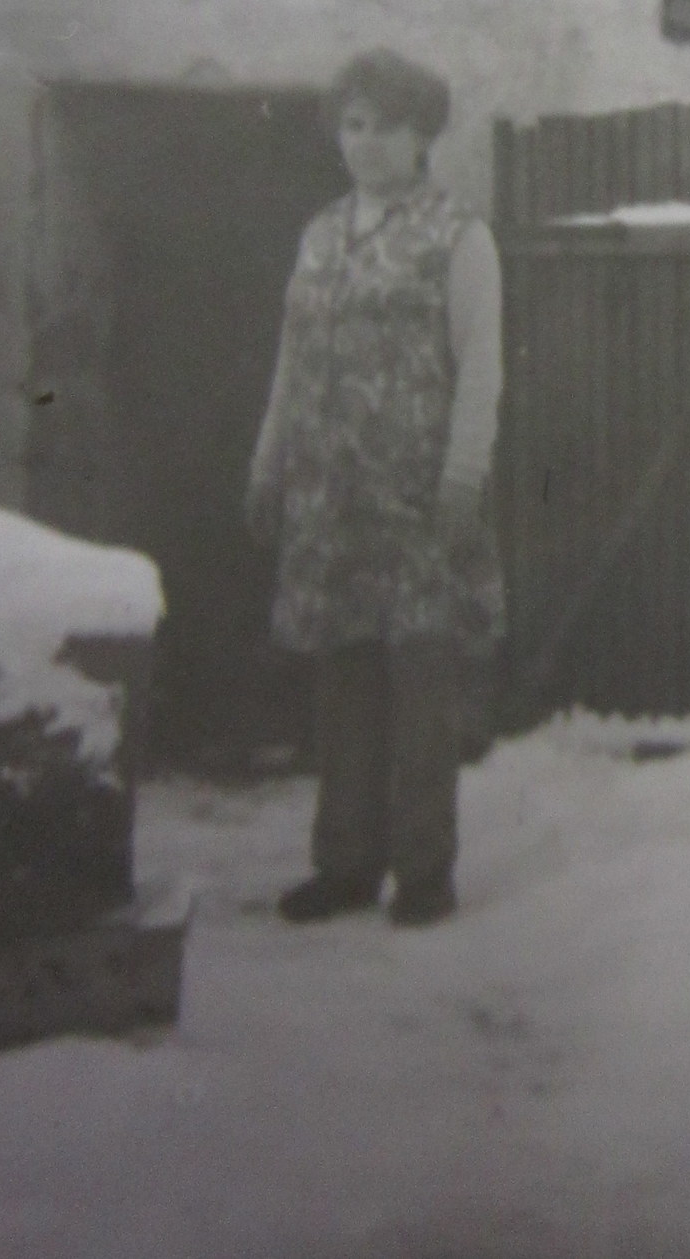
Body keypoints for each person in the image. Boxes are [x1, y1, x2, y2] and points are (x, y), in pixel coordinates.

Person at [246, 48, 504, 928]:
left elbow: (482, 369)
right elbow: (291, 359)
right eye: (353, 125)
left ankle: (424, 872)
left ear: (424, 134)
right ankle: (346, 864)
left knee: (422, 685)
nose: (367, 143)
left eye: (388, 127)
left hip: (417, 496)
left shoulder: (458, 236)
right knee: (344, 683)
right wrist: (269, 463)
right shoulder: (321, 234)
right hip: (331, 499)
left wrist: (464, 475)